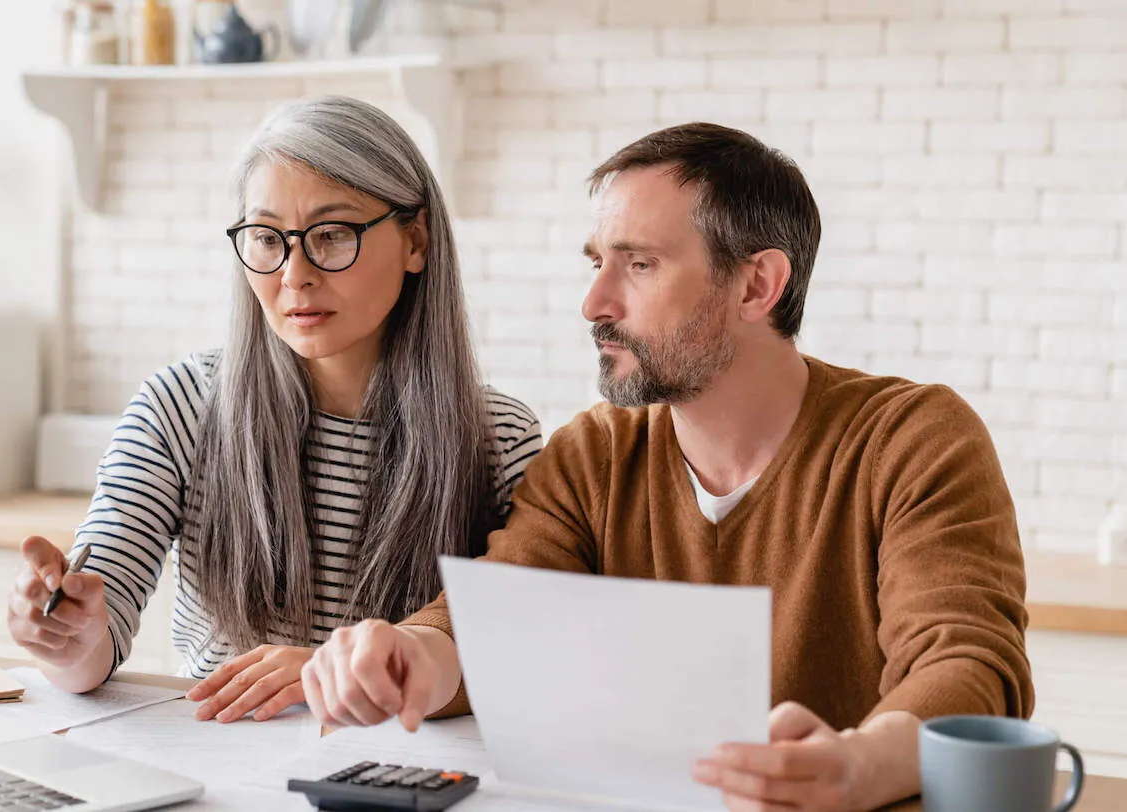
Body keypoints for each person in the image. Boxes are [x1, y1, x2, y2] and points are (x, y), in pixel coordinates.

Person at [299, 122, 1033, 811]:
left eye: (639, 265)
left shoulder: (911, 440)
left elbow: (970, 667)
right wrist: (408, 656)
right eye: (597, 263)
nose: (594, 302)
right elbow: (499, 618)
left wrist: (856, 766)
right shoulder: (595, 453)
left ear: (756, 286)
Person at [5, 96, 542, 725]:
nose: (295, 275)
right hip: (225, 761)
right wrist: (66, 632)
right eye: (266, 239)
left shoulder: (499, 437)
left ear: (416, 239)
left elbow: (517, 653)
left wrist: (327, 676)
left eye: (333, 235)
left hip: (406, 772)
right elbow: (97, 638)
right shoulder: (182, 405)